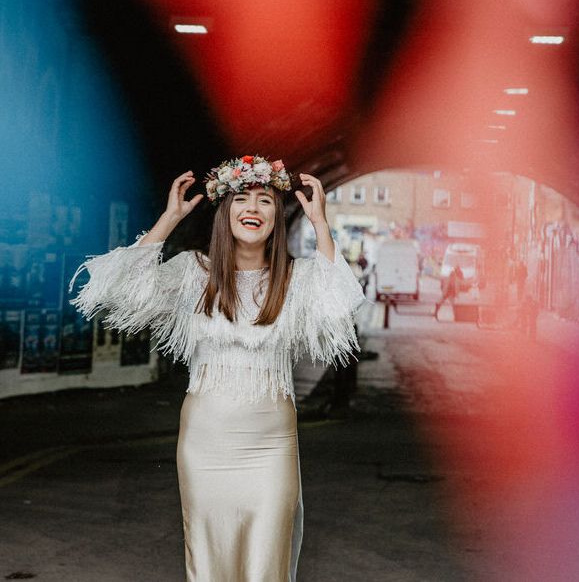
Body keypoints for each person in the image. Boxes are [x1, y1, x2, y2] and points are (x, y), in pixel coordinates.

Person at [68, 156, 365, 582]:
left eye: (265, 200)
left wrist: (321, 225)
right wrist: (169, 219)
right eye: (241, 198)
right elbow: (116, 288)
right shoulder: (193, 272)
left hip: (271, 447)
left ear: (278, 218)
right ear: (224, 213)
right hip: (205, 443)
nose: (253, 208)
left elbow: (342, 303)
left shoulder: (298, 280)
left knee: (267, 560)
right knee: (209, 559)